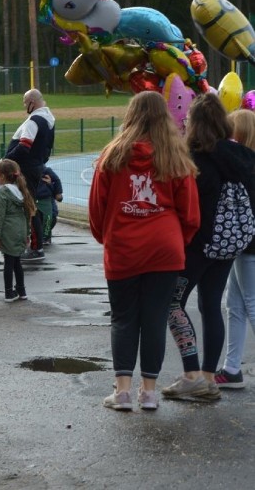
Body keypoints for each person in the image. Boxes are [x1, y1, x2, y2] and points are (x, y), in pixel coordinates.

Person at [89, 91, 200, 411]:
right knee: (153, 319)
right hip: (164, 249)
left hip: (124, 246)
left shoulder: (112, 156)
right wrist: (178, 241)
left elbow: (97, 208)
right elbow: (190, 213)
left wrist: (107, 237)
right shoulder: (175, 157)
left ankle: (122, 391)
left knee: (123, 318)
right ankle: (148, 392)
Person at [163, 93, 255, 401]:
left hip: (198, 246)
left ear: (196, 123)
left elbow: (190, 208)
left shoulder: (195, 158)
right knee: (211, 305)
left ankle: (192, 374)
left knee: (172, 303)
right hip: (230, 244)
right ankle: (208, 376)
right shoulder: (240, 155)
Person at [216, 109, 255, 389]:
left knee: (250, 303)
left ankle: (231, 369)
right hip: (242, 243)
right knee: (235, 304)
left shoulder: (244, 164)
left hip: (248, 244)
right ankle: (231, 368)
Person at [5, 88, 56, 261]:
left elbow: (24, 146)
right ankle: (34, 244)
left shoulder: (34, 121)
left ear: (32, 102)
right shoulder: (49, 119)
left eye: (25, 102)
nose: (24, 105)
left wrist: (6, 160)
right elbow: (47, 149)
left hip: (26, 168)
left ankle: (36, 247)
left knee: (29, 207)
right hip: (36, 166)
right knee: (30, 206)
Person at [0, 159, 36, 302]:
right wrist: (27, 233)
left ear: (3, 176)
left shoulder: (3, 193)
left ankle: (8, 292)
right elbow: (27, 215)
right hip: (20, 230)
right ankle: (21, 289)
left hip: (8, 231)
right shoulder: (21, 191)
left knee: (8, 263)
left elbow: (0, 217)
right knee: (17, 261)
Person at [36, 166, 63, 245]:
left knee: (51, 216)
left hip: (47, 198)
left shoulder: (46, 170)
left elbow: (57, 180)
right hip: (34, 197)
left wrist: (58, 192)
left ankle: (46, 236)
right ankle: (39, 235)